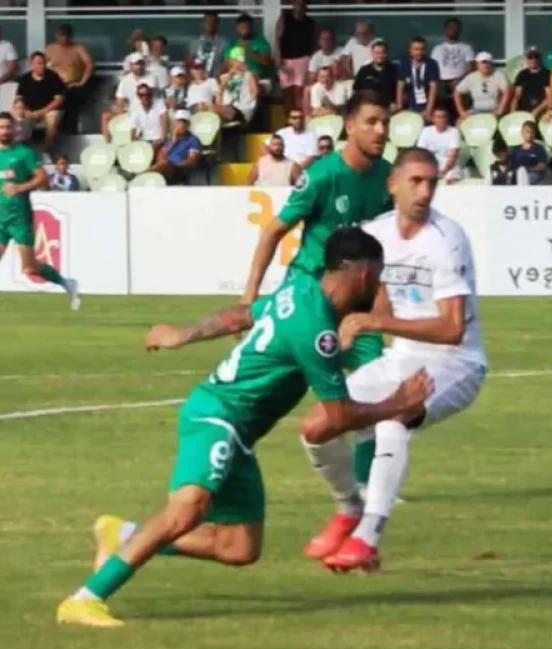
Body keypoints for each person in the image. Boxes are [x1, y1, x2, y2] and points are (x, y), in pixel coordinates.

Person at [54, 228, 430, 628]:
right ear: (363, 273)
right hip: (218, 416)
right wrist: (396, 405)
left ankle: (125, 535)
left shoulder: (298, 291)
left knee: (238, 547)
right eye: (379, 276)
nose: (380, 287)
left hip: (238, 433)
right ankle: (85, 599)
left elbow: (242, 315)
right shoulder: (316, 328)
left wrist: (184, 334)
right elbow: (338, 417)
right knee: (187, 510)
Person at [304, 149, 488, 570]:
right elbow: (377, 303)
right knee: (318, 424)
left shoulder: (447, 239)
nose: (425, 192)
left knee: (394, 420)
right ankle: (349, 508)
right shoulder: (377, 234)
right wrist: (344, 326)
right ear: (392, 185)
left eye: (431, 182)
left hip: (456, 362)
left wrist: (373, 323)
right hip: (402, 356)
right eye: (415, 181)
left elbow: (452, 328)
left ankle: (367, 536)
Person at [244, 91, 395, 499]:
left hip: (356, 300)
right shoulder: (323, 176)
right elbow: (274, 231)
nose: (381, 130)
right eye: (371, 121)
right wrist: (250, 296)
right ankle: (228, 453)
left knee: (375, 387)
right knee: (268, 387)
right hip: (308, 292)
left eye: (385, 122)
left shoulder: (388, 177)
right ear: (349, 126)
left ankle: (365, 487)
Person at [0, 113, 78, 309]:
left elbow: (42, 178)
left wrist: (20, 187)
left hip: (19, 218)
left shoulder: (24, 153)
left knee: (29, 268)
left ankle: (67, 283)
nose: (4, 131)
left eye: (8, 127)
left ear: (14, 129)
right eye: (1, 127)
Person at [44, 24, 94, 134]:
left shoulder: (78, 48)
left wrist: (82, 82)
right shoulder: (50, 49)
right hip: (54, 86)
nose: (64, 38)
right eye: (61, 35)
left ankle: (70, 131)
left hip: (73, 85)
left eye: (67, 35)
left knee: (70, 99)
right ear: (57, 35)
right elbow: (42, 66)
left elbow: (89, 64)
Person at [16, 52, 68, 154]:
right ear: (31, 64)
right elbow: (19, 99)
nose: (41, 66)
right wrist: (26, 111)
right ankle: (21, 148)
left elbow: (59, 100)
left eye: (43, 63)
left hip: (48, 111)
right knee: (19, 116)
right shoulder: (24, 79)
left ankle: (48, 149)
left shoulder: (53, 77)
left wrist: (42, 112)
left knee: (52, 117)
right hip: (30, 111)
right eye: (38, 63)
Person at [275, 0, 317, 114]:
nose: (300, 6)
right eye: (297, 3)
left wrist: (311, 63)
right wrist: (278, 56)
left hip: (303, 60)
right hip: (286, 60)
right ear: (293, 4)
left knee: (299, 94)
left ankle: (299, 119)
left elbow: (313, 44)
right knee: (287, 95)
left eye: (303, 4)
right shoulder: (284, 17)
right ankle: (288, 121)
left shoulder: (310, 22)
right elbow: (277, 38)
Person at [150, 110, 202, 184]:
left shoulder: (193, 140)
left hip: (178, 170)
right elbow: (161, 155)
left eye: (184, 122)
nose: (181, 125)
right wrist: (173, 142)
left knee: (164, 164)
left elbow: (192, 161)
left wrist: (173, 164)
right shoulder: (171, 139)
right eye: (178, 122)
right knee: (161, 161)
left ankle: (142, 174)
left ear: (188, 125)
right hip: (164, 167)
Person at [228, 13, 275, 93]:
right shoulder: (233, 44)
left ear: (251, 28)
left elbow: (266, 61)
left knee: (251, 87)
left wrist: (248, 50)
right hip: (240, 79)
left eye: (247, 28)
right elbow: (229, 64)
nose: (245, 31)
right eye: (242, 28)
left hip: (261, 80)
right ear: (237, 28)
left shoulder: (260, 41)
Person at [414, 106, 463, 183]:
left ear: (447, 118)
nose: (441, 120)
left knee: (452, 177)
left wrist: (444, 171)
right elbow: (421, 153)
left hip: (448, 164)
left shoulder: (454, 131)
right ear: (433, 119)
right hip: (431, 162)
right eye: (438, 117)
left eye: (443, 117)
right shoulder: (425, 131)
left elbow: (453, 155)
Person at [454, 52, 511, 118]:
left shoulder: (499, 75)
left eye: (487, 63)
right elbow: (457, 92)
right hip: (476, 110)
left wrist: (500, 110)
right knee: (460, 122)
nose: (485, 66)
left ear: (491, 64)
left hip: (493, 109)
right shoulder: (471, 77)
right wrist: (461, 112)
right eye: (482, 63)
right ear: (477, 65)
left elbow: (506, 92)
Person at [398, 36, 439, 118]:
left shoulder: (432, 64)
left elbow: (433, 89)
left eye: (422, 49)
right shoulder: (405, 64)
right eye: (416, 49)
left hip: (428, 107)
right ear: (410, 51)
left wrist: (428, 111)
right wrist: (400, 108)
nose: (419, 52)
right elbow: (400, 87)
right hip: (410, 106)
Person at [215, 55, 260, 126]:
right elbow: (220, 93)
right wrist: (230, 74)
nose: (238, 66)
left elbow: (255, 92)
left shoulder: (248, 75)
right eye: (235, 65)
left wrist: (246, 101)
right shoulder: (224, 77)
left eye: (240, 64)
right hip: (227, 106)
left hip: (243, 107)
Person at [354, 40, 399, 109]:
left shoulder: (395, 70)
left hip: (389, 108)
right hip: (368, 107)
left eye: (383, 53)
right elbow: (356, 91)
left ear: (387, 54)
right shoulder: (364, 70)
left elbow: (401, 91)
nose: (380, 56)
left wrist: (397, 105)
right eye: (377, 53)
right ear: (372, 54)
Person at [127, 82, 168, 150]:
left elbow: (164, 124)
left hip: (160, 140)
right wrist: (134, 143)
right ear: (138, 96)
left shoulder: (159, 104)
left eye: (148, 94)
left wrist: (160, 140)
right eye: (142, 95)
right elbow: (133, 130)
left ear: (151, 95)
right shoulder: (136, 109)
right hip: (145, 142)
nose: (145, 97)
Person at [512, 48, 552, 116]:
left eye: (536, 56)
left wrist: (537, 110)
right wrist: (513, 112)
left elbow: (550, 96)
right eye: (530, 57)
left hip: (542, 113)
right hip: (524, 113)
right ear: (526, 59)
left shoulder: (547, 74)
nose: (533, 60)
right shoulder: (522, 74)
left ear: (540, 58)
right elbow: (517, 96)